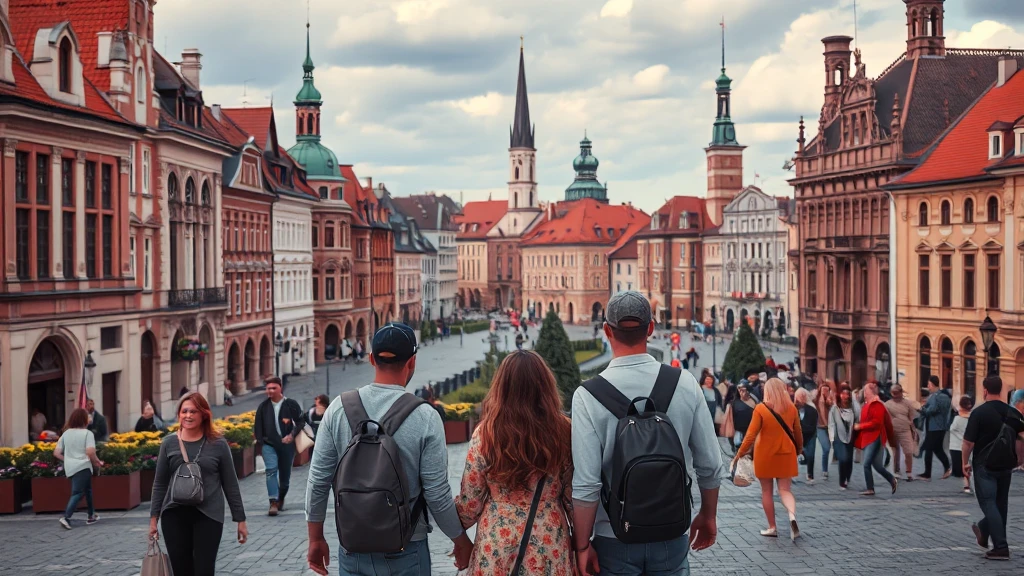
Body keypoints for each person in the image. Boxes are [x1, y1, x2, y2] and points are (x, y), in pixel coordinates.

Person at [572, 291, 725, 575]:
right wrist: (708, 514)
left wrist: (582, 546)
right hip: (671, 531)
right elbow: (711, 464)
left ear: (607, 331)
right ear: (651, 329)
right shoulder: (685, 383)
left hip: (613, 534)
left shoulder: (587, 395)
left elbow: (586, 484)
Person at [305, 322, 473, 576]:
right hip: (406, 547)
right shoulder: (425, 416)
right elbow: (437, 494)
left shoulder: (338, 409)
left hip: (353, 547)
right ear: (412, 362)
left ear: (372, 359)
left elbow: (318, 481)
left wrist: (315, 538)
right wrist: (460, 540)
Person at [456, 351, 574, 574]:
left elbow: (469, 504)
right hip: (549, 541)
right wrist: (583, 544)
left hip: (497, 543)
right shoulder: (564, 431)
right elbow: (572, 497)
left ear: (502, 387)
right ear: (545, 386)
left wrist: (456, 536)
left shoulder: (486, 433)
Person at [149, 392, 247, 575]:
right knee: (181, 570)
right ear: (179, 414)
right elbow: (160, 483)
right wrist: (154, 519)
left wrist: (240, 519)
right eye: (184, 411)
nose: (188, 415)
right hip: (174, 514)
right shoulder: (168, 443)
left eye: (193, 411)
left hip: (209, 515)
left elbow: (230, 483)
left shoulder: (218, 444)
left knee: (204, 569)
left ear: (204, 414)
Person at [732, 378, 804, 540]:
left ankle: (772, 527)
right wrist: (799, 449)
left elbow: (750, 435)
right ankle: (792, 517)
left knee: (767, 492)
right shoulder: (791, 408)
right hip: (787, 454)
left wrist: (740, 453)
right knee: (785, 490)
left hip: (765, 455)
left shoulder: (761, 409)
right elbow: (798, 432)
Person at [963, 376, 1024, 560]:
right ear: (1002, 391)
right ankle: (985, 531)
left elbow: (967, 442)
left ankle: (1001, 547)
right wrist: (1020, 459)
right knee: (1000, 504)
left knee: (989, 503)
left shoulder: (979, 413)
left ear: (984, 390)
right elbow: (1022, 438)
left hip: (984, 464)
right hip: (1006, 464)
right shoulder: (1013, 413)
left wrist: (964, 462)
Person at [254, 376, 304, 515]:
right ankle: (273, 502)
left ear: (280, 388)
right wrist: (261, 444)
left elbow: (301, 422)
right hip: (269, 445)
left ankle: (280, 497)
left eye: (273, 388)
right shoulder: (263, 407)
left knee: (285, 478)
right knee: (270, 470)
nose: (270, 391)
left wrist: (291, 435)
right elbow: (258, 427)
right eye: (268, 388)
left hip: (287, 446)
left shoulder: (291, 404)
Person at [54, 408, 104, 529]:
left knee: (88, 490)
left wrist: (68, 459)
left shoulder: (66, 434)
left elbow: (56, 453)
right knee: (77, 492)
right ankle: (66, 517)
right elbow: (90, 452)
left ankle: (91, 515)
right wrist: (96, 461)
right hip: (83, 466)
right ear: (84, 420)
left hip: (71, 467)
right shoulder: (87, 434)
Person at [853, 383, 898, 496]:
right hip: (868, 438)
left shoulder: (877, 404)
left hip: (874, 437)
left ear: (870, 392)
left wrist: (860, 426)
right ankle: (892, 480)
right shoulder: (867, 404)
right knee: (878, 466)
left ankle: (870, 488)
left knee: (866, 463)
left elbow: (876, 423)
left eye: (865, 390)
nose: (864, 391)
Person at [918, 375, 952, 480]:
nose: (928, 386)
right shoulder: (945, 396)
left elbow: (932, 410)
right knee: (937, 449)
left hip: (934, 426)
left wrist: (921, 409)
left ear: (932, 384)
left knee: (929, 448)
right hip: (940, 426)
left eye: (928, 384)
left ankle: (928, 473)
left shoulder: (936, 396)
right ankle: (946, 468)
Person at [885, 384, 920, 482]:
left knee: (908, 451)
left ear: (901, 392)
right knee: (895, 451)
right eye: (893, 393)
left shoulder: (907, 404)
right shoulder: (887, 404)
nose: (895, 395)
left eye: (897, 393)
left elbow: (911, 417)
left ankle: (909, 472)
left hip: (905, 430)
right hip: (893, 430)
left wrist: (913, 430)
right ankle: (896, 471)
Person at [828, 383, 858, 490]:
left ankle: (847, 477)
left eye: (847, 394)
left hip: (850, 436)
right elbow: (831, 424)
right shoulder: (834, 409)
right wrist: (832, 438)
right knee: (843, 458)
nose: (845, 396)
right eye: (843, 394)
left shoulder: (853, 407)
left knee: (849, 459)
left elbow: (858, 418)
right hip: (838, 438)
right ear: (839, 395)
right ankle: (842, 481)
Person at [724, 382, 759, 452]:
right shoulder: (733, 403)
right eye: (740, 390)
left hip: (752, 430)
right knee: (738, 445)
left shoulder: (754, 401)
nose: (742, 392)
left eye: (744, 390)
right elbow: (730, 421)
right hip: (739, 431)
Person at [950, 395, 974, 494]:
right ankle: (967, 485)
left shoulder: (958, 418)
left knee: (963, 467)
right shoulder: (973, 418)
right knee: (968, 465)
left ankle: (967, 485)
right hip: (970, 445)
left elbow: (952, 429)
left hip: (958, 445)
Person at [794, 389, 818, 483]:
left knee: (810, 455)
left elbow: (812, 425)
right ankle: (793, 474)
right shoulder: (793, 409)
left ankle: (810, 475)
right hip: (798, 435)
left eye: (801, 397)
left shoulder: (812, 409)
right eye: (798, 397)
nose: (799, 399)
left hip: (810, 435)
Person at [813, 381, 835, 480]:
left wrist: (829, 398)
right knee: (826, 448)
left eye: (827, 390)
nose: (825, 391)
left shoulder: (830, 400)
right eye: (823, 389)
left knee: (830, 447)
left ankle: (827, 467)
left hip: (830, 427)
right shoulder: (816, 400)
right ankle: (824, 470)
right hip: (820, 427)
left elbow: (834, 407)